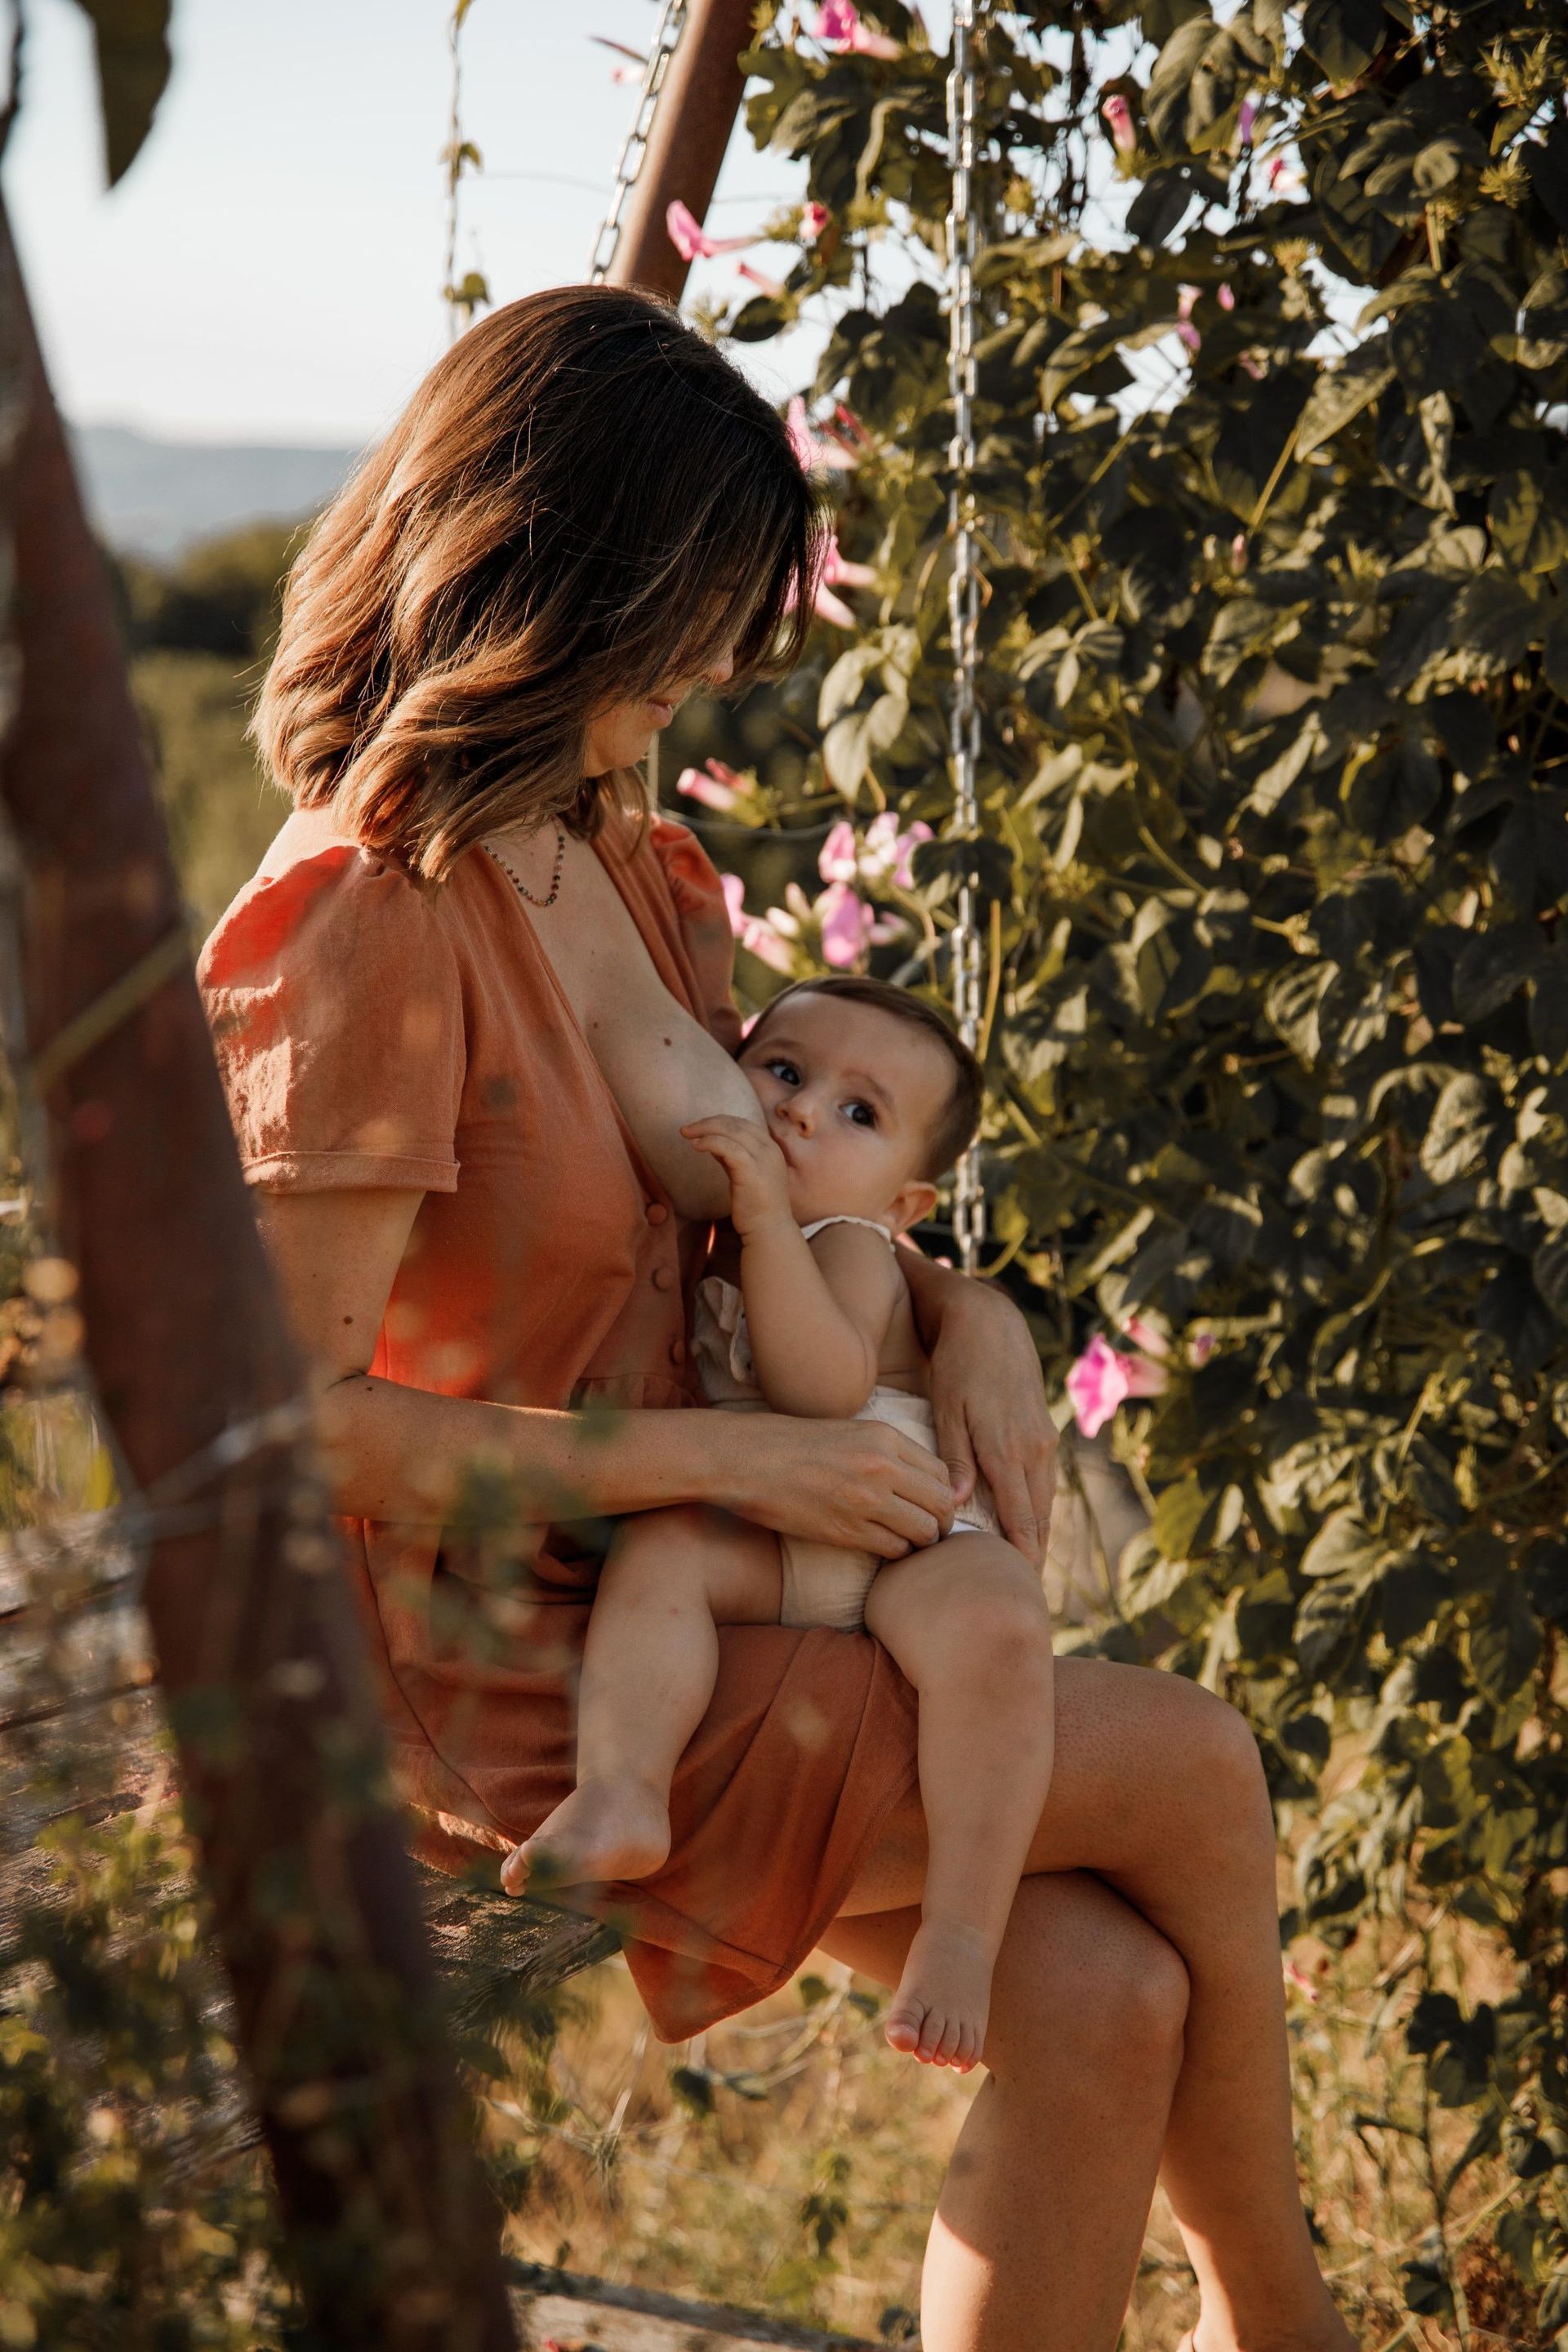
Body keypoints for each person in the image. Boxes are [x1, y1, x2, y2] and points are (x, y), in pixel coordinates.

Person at [200, 283, 1355, 2350]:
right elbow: (283, 1432)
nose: (732, 661)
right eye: (702, 604)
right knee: (1192, 1772)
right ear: (560, 569)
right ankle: (1285, 2319)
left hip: (716, 1586)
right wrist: (740, 1458)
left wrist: (959, 1307)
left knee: (1107, 1991)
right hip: (515, 1663)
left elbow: (765, 1199)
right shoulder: (376, 911)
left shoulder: (623, 861)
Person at [509, 977, 1055, 2075]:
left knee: (996, 1629)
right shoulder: (715, 1240)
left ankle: (959, 1932)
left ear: (907, 1207)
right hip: (774, 1533)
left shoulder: (848, 1245)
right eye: (786, 1072)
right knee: (663, 1557)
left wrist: (766, 1221)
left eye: (860, 1113)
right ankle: (625, 1786)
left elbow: (822, 1385)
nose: (803, 1112)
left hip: (909, 1530)